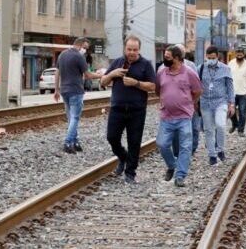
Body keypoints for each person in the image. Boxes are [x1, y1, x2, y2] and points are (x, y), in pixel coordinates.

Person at [100, 35, 156, 184]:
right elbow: (103, 81)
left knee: (134, 142)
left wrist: (136, 83)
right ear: (125, 48)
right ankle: (123, 157)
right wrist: (112, 74)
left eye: (135, 50)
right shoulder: (117, 62)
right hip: (117, 108)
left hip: (137, 110)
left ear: (139, 50)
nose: (132, 52)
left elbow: (152, 86)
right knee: (111, 137)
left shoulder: (146, 64)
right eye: (129, 49)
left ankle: (130, 173)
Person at [155, 45, 203, 187]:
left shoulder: (189, 73)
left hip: (184, 116)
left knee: (185, 146)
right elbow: (158, 90)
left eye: (168, 57)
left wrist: (190, 102)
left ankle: (180, 175)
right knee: (162, 144)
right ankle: (172, 165)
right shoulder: (161, 73)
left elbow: (198, 90)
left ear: (177, 58)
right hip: (166, 116)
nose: (165, 60)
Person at [53, 37, 103, 154]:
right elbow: (88, 75)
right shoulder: (79, 57)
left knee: (71, 117)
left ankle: (75, 142)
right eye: (85, 48)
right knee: (75, 117)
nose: (85, 50)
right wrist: (101, 75)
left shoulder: (62, 55)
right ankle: (68, 142)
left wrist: (56, 89)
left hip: (64, 90)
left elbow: (57, 72)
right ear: (80, 45)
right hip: (76, 90)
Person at [198, 45, 235, 165]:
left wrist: (231, 104)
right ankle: (212, 155)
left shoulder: (225, 69)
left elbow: (230, 87)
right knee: (208, 130)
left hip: (220, 102)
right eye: (208, 58)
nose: (211, 60)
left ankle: (220, 150)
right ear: (206, 57)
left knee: (220, 125)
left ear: (217, 56)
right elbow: (196, 84)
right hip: (205, 102)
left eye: (213, 57)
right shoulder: (201, 68)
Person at [228, 47, 246, 136]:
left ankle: (240, 130)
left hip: (244, 93)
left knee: (242, 112)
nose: (239, 55)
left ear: (243, 54)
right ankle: (234, 124)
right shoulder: (230, 63)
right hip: (232, 92)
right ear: (235, 54)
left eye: (241, 53)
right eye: (237, 53)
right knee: (231, 112)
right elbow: (227, 77)